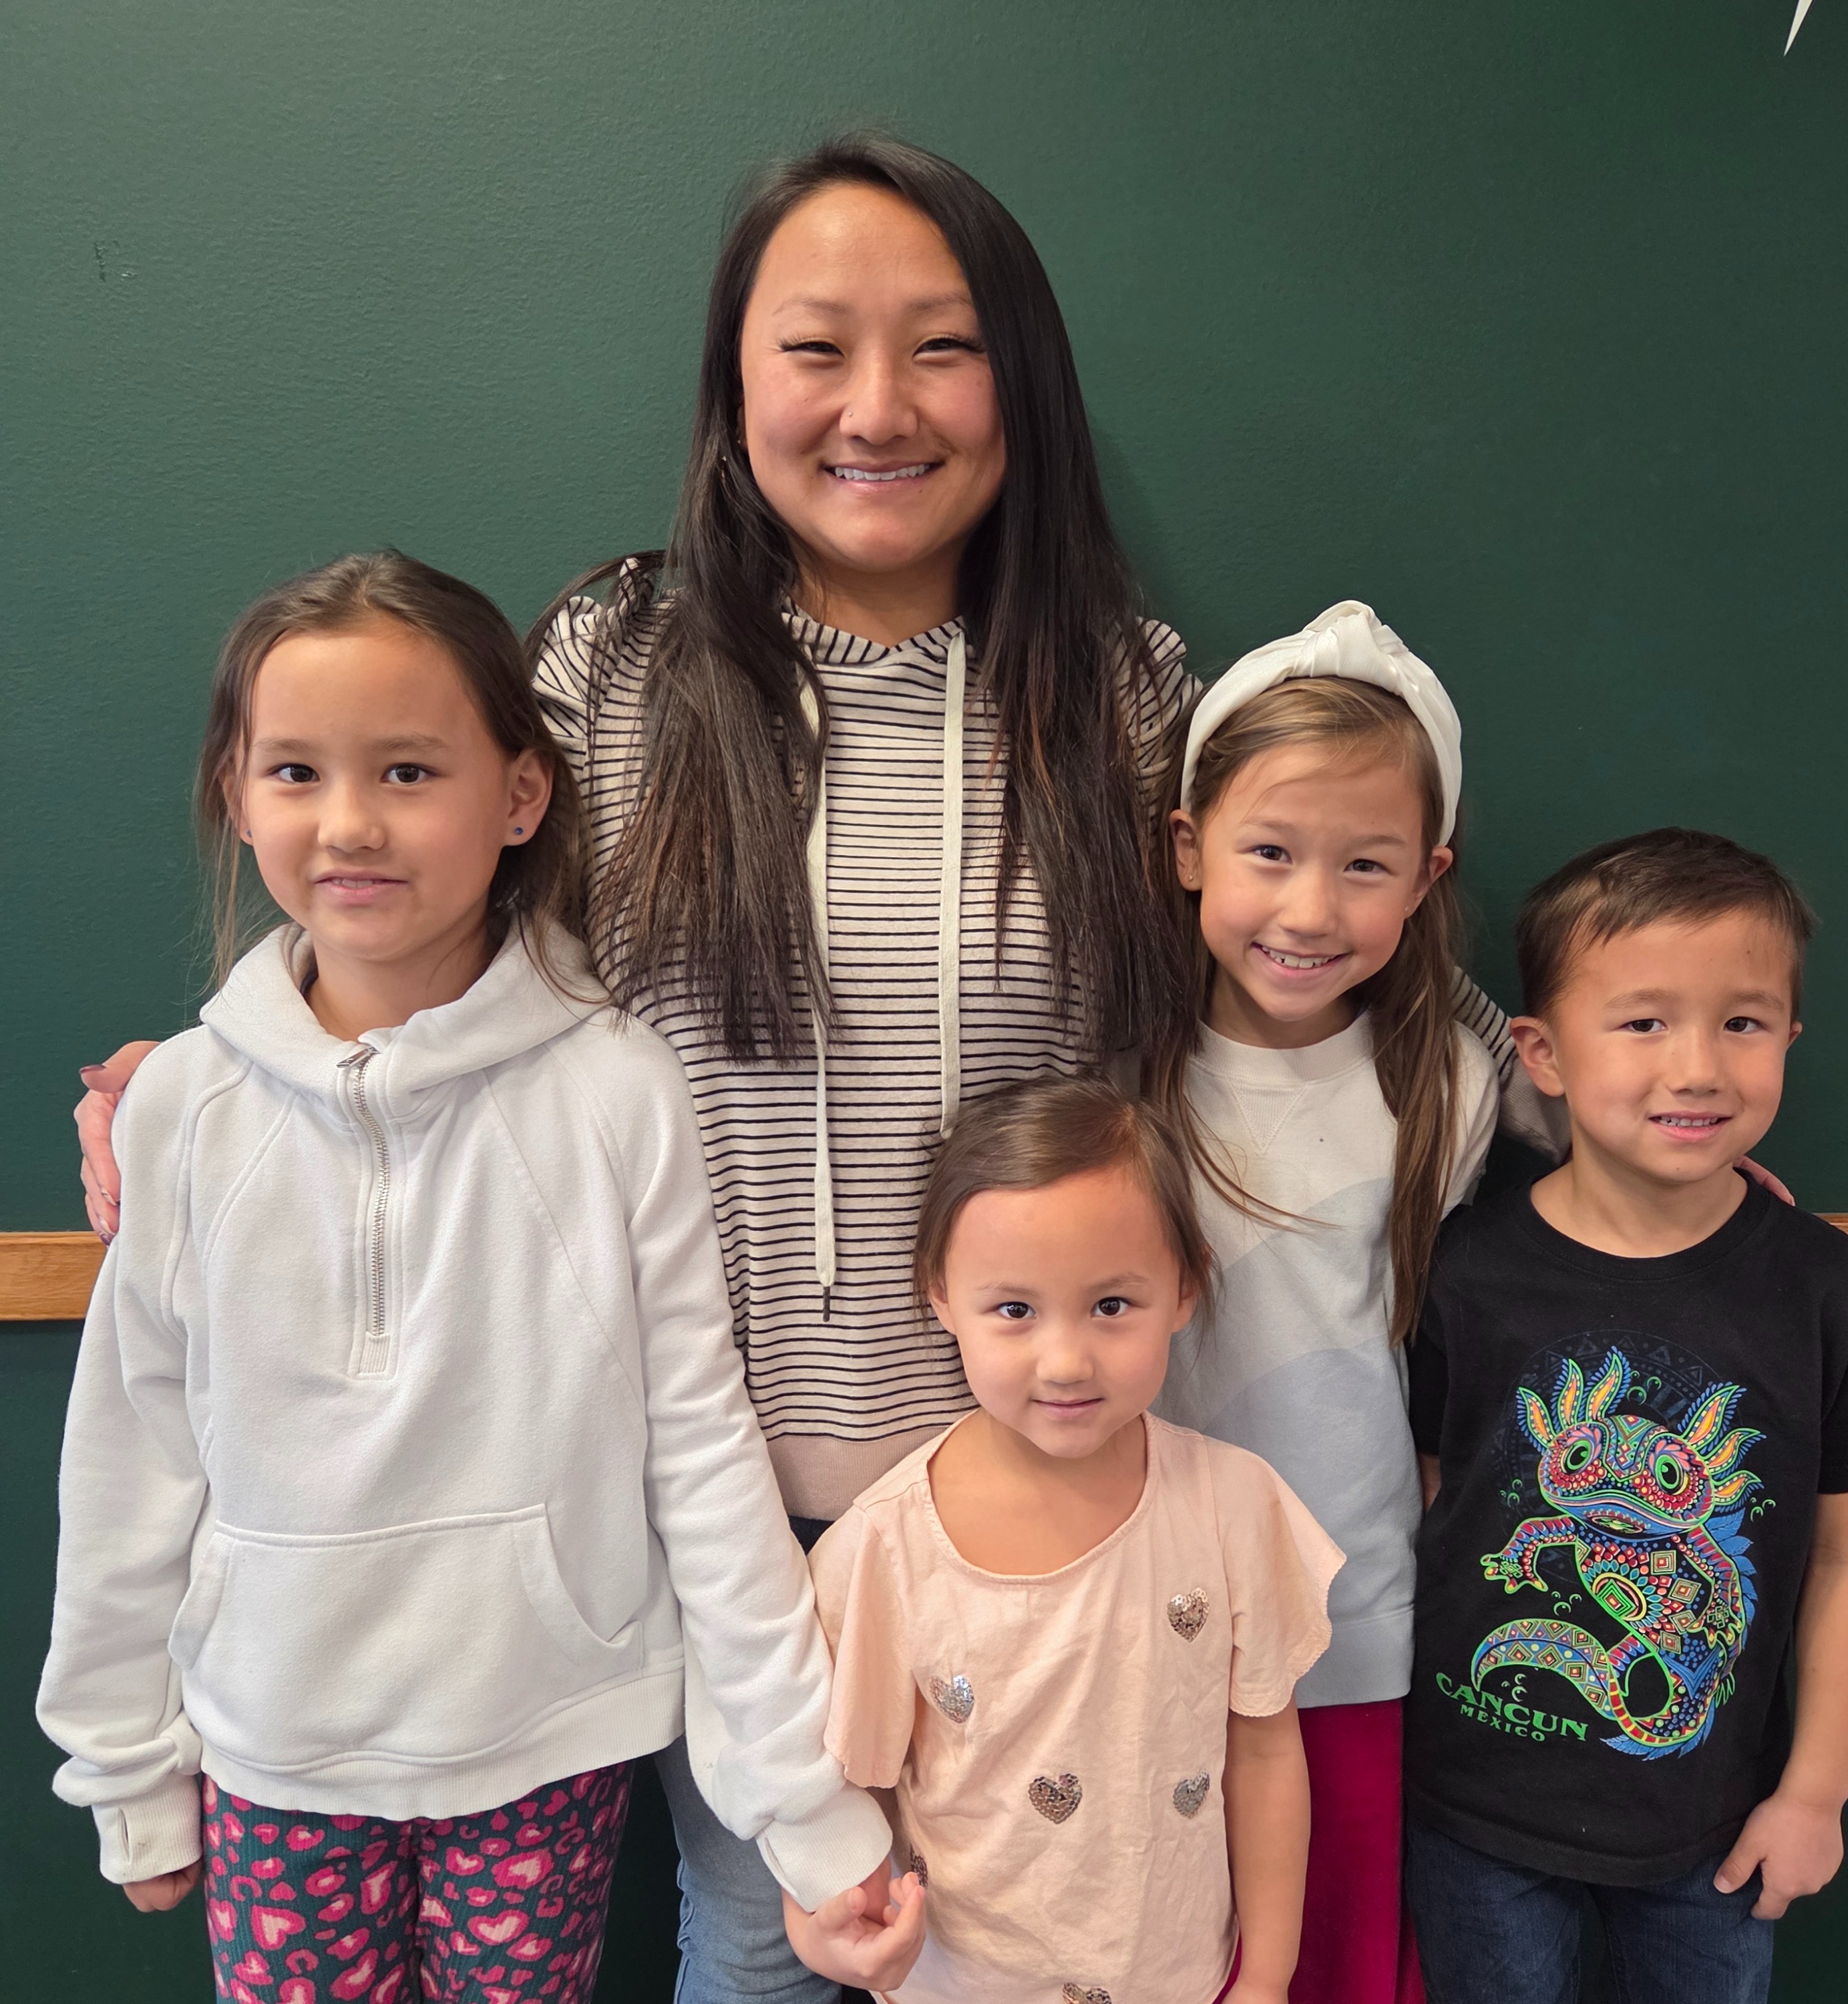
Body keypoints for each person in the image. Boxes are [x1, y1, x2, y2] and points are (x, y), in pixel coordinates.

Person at [70, 136, 1534, 2001]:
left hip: (1042, 1478)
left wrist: (1610, 1128)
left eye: (940, 348)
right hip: (704, 1495)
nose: (875, 408)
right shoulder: (616, 664)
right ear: (733, 383)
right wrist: (252, 1058)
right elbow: (440, 930)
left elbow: (1307, 951)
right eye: (814, 349)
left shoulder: (1122, 688)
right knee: (767, 1947)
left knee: (1044, 1952)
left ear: (1023, 380)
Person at [37, 554, 903, 2004]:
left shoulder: (620, 1091)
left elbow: (697, 1445)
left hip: (542, 1743)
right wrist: (123, 1757)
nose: (351, 823)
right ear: (236, 795)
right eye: (297, 771)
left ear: (519, 796)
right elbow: (133, 1449)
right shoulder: (185, 1108)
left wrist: (803, 1800)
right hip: (272, 1751)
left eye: (409, 771)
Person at [1402, 828, 1848, 2004]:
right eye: (1645, 1022)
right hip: (1471, 1811)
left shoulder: (1830, 1292)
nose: (1699, 1067)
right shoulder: (1463, 1268)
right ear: (1542, 1053)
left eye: (1742, 1023)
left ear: (1789, 1039)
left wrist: (1817, 1794)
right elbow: (1441, 1494)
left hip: (1715, 1827)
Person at [796, 1076, 1342, 2003]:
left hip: (1179, 1979)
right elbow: (843, 1802)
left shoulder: (1234, 1505)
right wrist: (818, 1934)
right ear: (940, 1295)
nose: (1065, 1362)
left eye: (1111, 1306)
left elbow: (1265, 1751)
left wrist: (1269, 1978)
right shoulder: (882, 1549)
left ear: (1185, 1287)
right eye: (1014, 1310)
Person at [1145, 601, 1496, 2004]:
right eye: (1271, 855)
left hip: (1354, 1623)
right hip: (1143, 1605)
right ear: (1189, 850)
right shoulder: (1124, 1075)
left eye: (1365, 868)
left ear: (1427, 879)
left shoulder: (1452, 1089)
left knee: (1342, 1951)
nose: (1309, 910)